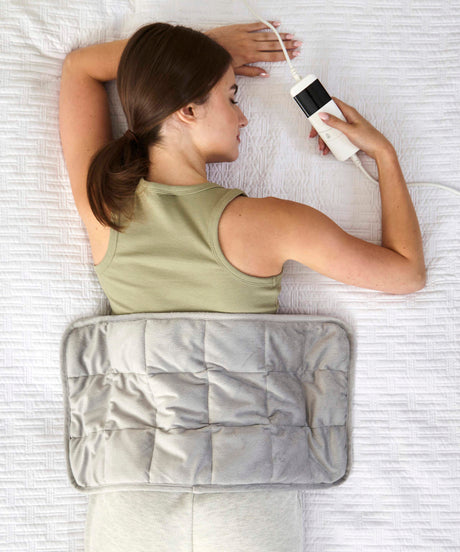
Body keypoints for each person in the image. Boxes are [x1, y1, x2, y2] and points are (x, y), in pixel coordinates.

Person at [59, 20, 426, 552]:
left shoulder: (105, 208)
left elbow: (80, 69)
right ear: (187, 109)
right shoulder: (269, 223)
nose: (244, 117)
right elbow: (406, 272)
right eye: (231, 97)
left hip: (132, 484)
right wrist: (384, 155)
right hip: (246, 486)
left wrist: (205, 51)